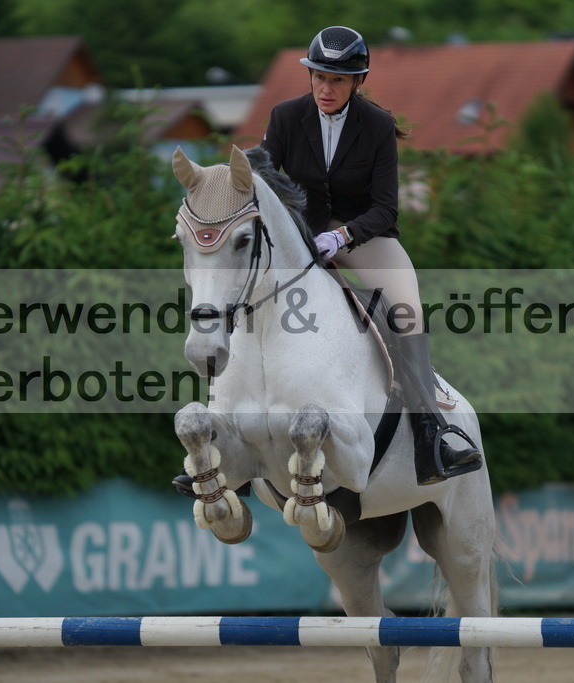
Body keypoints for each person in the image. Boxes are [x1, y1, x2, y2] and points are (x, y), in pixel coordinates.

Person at [175, 26, 479, 491]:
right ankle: (220, 433)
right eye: (319, 77)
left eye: (337, 80)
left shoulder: (375, 126)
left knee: (405, 304)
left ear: (357, 82)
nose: (325, 88)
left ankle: (432, 430)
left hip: (363, 235)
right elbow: (263, 182)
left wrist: (342, 237)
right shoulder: (285, 116)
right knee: (236, 289)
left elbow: (385, 208)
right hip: (299, 235)